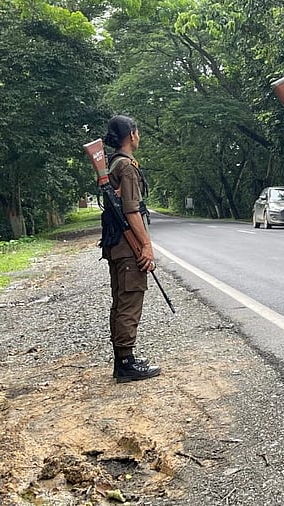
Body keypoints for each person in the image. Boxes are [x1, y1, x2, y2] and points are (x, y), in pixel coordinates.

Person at [101, 115, 162, 383]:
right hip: (128, 248)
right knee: (129, 301)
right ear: (132, 135)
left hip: (116, 246)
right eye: (137, 132)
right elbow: (131, 209)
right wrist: (146, 245)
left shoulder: (112, 163)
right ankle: (126, 363)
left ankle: (123, 360)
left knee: (121, 301)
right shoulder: (126, 167)